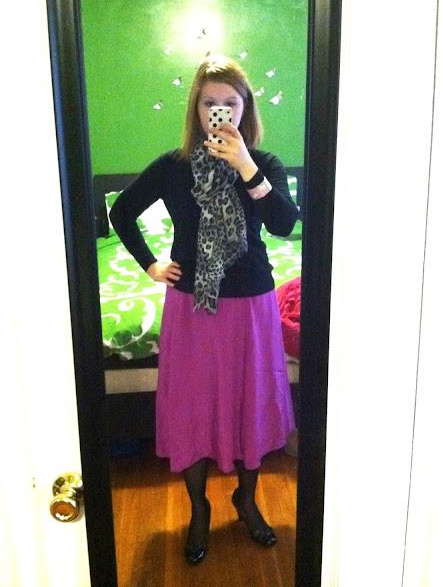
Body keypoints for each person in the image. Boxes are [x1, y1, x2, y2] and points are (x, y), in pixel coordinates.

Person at [109, 54, 299, 564]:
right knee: (192, 407)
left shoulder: (265, 163)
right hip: (193, 304)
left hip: (252, 302)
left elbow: (284, 224)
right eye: (210, 103)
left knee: (251, 400)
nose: (220, 111)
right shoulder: (172, 166)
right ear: (196, 109)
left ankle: (246, 501)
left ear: (245, 108)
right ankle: (199, 510)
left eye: (230, 103)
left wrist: (245, 167)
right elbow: (121, 211)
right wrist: (150, 264)